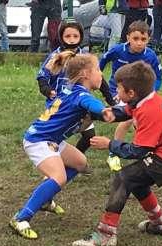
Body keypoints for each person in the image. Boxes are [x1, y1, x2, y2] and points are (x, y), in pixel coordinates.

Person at [72, 61, 162, 246]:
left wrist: (110, 144)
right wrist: (107, 114)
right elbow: (126, 111)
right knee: (137, 179)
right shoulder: (145, 99)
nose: (116, 93)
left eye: (119, 89)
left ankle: (105, 235)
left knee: (124, 178)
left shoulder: (149, 110)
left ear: (131, 93)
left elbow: (139, 151)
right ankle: (158, 224)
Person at [9, 52, 113, 239]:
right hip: (39, 140)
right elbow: (91, 104)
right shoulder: (81, 95)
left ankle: (46, 200)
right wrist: (104, 111)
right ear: (85, 74)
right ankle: (21, 218)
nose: (101, 74)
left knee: (80, 162)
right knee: (59, 177)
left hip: (50, 138)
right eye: (98, 69)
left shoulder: (71, 89)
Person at [36, 19, 114, 213]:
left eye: (75, 36)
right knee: (58, 145)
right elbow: (42, 77)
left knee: (88, 137)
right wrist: (47, 90)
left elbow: (101, 80)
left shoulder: (85, 58)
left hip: (79, 108)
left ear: (81, 37)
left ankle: (69, 165)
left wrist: (110, 99)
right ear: (61, 37)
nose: (71, 40)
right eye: (67, 36)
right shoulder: (56, 55)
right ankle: (54, 179)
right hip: (61, 110)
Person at [99, 20, 162, 172]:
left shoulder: (151, 56)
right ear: (128, 38)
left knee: (141, 120)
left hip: (141, 94)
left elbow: (159, 76)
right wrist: (98, 74)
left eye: (143, 39)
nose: (139, 43)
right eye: (135, 39)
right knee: (127, 120)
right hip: (119, 92)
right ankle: (113, 153)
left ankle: (143, 149)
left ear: (148, 39)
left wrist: (151, 91)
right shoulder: (117, 50)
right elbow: (103, 60)